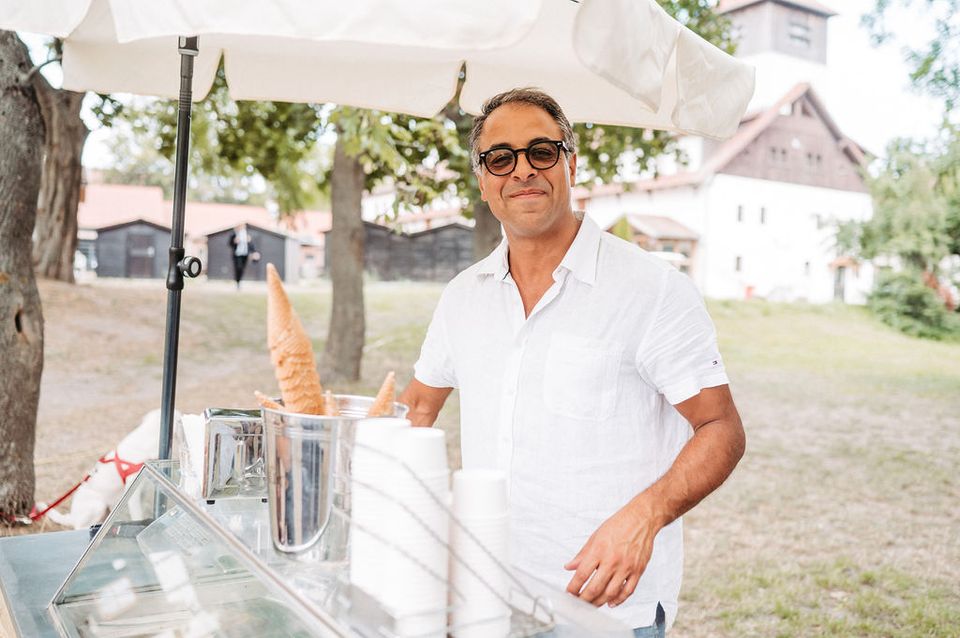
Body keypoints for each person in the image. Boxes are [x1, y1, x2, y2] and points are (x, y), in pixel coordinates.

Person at [398, 88, 745, 636]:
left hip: (603, 612)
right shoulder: (464, 296)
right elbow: (415, 408)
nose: (522, 171)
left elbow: (721, 428)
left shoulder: (652, 290)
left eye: (542, 150)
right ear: (484, 180)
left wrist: (646, 515)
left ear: (570, 162)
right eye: (500, 158)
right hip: (483, 599)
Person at [228, 224, 258, 289]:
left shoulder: (247, 235)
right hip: (237, 254)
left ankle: (239, 281)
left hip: (245, 254)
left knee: (242, 269)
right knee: (238, 267)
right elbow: (230, 244)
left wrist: (254, 252)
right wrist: (234, 241)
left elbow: (251, 245)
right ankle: (237, 282)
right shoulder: (234, 234)